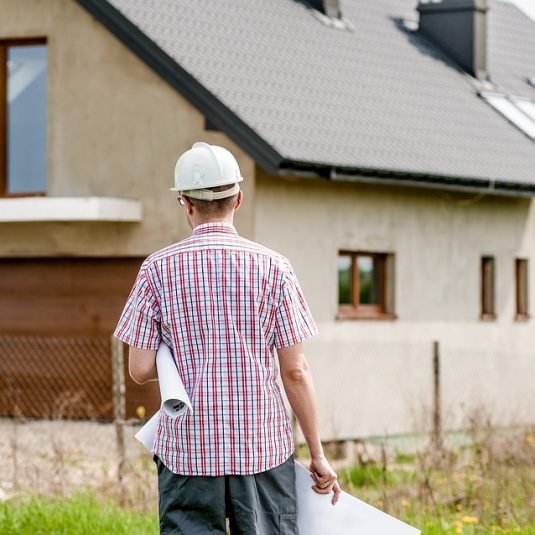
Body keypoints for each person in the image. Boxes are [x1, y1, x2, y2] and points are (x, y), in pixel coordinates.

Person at [114, 142, 341, 534]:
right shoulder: (274, 268)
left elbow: (139, 368)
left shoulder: (156, 270)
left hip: (187, 453)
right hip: (261, 450)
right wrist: (317, 454)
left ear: (185, 203)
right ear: (238, 198)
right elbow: (296, 371)